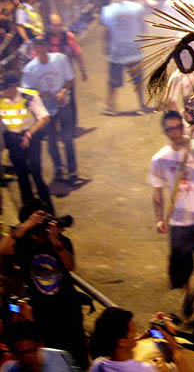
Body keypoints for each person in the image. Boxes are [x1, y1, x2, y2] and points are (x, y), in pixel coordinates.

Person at [148, 111, 194, 331]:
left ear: (183, 126)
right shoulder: (160, 158)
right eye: (170, 129)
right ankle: (188, 293)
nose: (175, 132)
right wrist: (160, 220)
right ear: (165, 131)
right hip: (179, 224)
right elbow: (157, 192)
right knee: (180, 270)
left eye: (178, 127)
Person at [0, 202, 87, 368]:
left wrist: (57, 244)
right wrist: (25, 226)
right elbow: (3, 250)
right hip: (43, 313)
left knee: (77, 357)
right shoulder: (23, 244)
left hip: (69, 309)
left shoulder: (61, 241)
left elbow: (70, 266)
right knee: (52, 358)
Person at [22, 37, 76, 185]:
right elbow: (26, 90)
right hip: (46, 109)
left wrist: (63, 91)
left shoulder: (60, 59)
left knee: (67, 138)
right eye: (36, 47)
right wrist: (40, 94)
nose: (39, 49)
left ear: (47, 47)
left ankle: (72, 170)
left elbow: (70, 79)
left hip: (63, 104)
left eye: (41, 46)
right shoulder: (30, 69)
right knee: (51, 140)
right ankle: (58, 168)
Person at [0, 74, 52, 211]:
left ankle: (48, 211)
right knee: (22, 177)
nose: (2, 92)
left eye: (4, 89)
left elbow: (45, 117)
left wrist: (29, 133)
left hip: (31, 140)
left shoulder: (29, 97)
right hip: (13, 141)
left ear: (13, 88)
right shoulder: (1, 99)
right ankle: (28, 213)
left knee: (37, 175)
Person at [88, 308, 189, 372]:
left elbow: (134, 340)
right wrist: (168, 336)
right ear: (121, 342)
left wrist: (152, 331)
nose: (135, 331)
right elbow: (179, 360)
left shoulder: (98, 364)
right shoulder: (145, 369)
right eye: (132, 328)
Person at [99, 0, 148, 116]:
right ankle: (142, 105)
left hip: (117, 51)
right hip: (134, 49)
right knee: (138, 79)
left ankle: (110, 107)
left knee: (113, 81)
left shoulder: (107, 10)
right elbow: (143, 26)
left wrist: (105, 47)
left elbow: (107, 32)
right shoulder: (137, 7)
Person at [0, 321, 74, 372]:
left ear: (40, 346)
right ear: (14, 354)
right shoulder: (8, 368)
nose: (27, 358)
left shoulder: (61, 360)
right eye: (21, 354)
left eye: (31, 351)